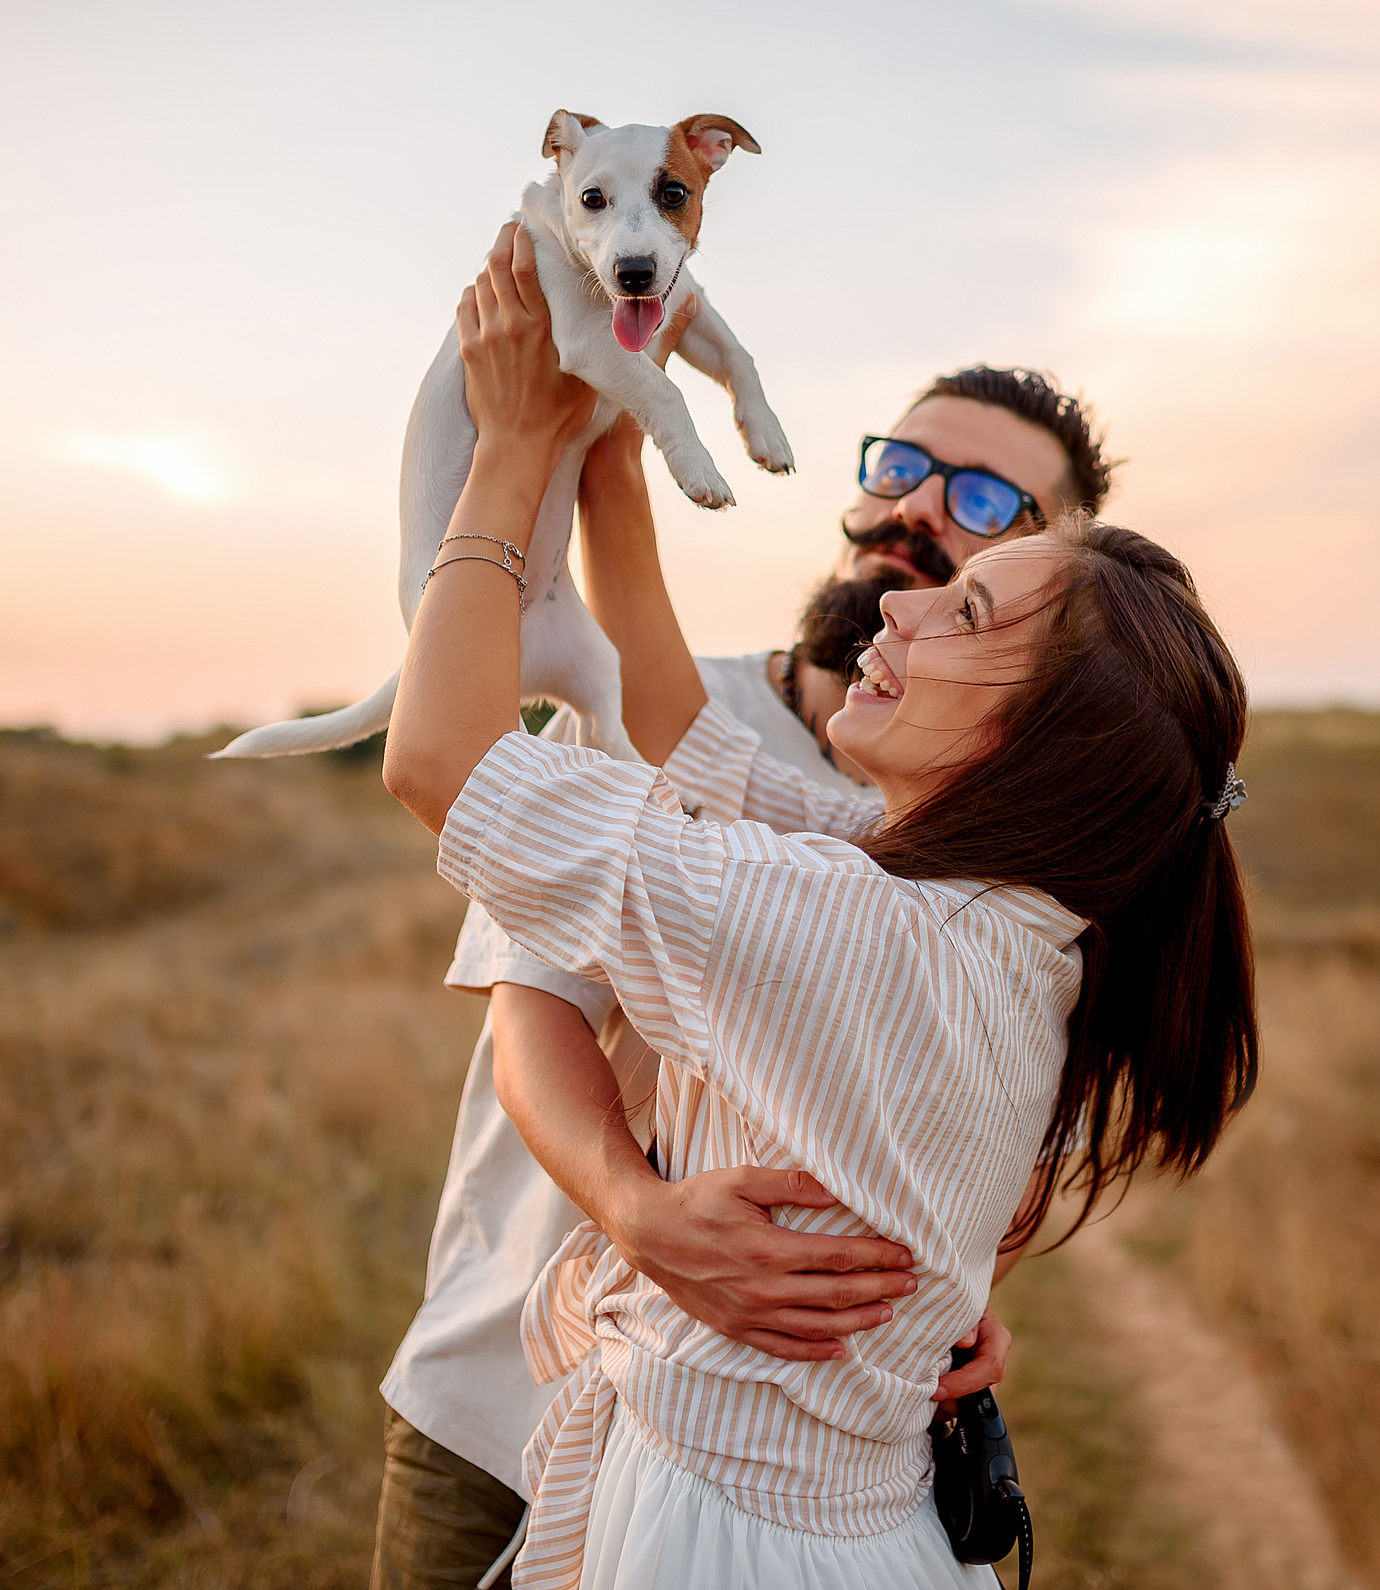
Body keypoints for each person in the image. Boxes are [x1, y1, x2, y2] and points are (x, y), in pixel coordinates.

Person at [381, 224, 1255, 1588]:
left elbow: (438, 764)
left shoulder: (855, 892)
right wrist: (611, 422)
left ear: (1047, 726)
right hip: (524, 1380)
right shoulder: (988, 893)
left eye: (974, 571)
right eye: (902, 465)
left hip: (717, 1510)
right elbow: (672, 729)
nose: (916, 548)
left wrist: (504, 452)